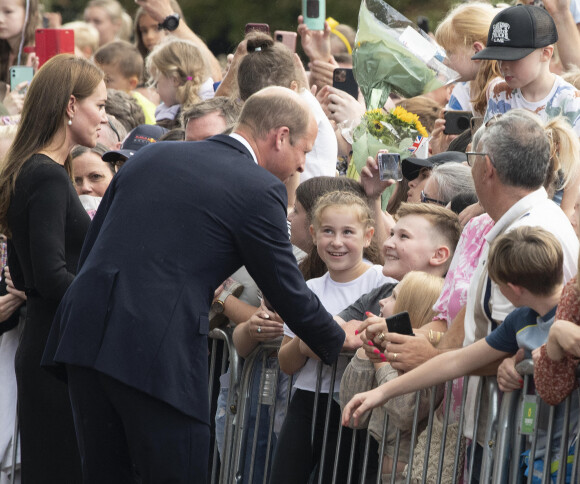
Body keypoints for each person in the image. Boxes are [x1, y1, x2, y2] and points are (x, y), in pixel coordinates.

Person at [41, 86, 346, 484]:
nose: (301, 165)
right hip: (155, 349)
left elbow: (95, 246)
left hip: (84, 334)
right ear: (280, 136)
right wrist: (338, 339)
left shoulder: (153, 154)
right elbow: (287, 287)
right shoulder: (259, 188)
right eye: (304, 150)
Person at [343, 226, 577, 480]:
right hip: (537, 454)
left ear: (514, 288)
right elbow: (456, 361)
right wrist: (381, 392)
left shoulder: (571, 316)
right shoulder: (522, 319)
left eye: (497, 286)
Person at [0, 54, 107, 483]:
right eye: (99, 105)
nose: (104, 116)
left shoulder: (38, 170)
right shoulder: (45, 174)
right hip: (55, 355)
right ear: (69, 106)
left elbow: (26, 279)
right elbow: (48, 276)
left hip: (48, 346)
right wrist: (108, 301)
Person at [271, 190, 392, 484]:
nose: (337, 242)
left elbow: (379, 337)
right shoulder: (307, 289)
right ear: (313, 235)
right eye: (328, 231)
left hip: (357, 404)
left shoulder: (382, 280)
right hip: (308, 400)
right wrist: (305, 342)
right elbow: (286, 362)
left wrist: (324, 339)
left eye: (347, 232)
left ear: (368, 236)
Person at [340, 271, 445, 482]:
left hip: (414, 474)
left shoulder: (428, 363)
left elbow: (404, 413)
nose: (382, 300)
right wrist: (365, 350)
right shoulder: (387, 350)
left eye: (394, 297)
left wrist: (380, 360)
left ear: (409, 310)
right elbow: (351, 414)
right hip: (383, 469)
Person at [473, 5, 580, 136]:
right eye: (499, 58)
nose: (503, 66)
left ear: (546, 53)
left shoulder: (570, 101)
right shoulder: (499, 94)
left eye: (513, 58)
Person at [147, 37, 214, 129]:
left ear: (175, 80)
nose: (156, 91)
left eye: (156, 83)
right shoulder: (215, 104)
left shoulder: (171, 122)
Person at [94, 40, 157, 124]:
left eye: (107, 80)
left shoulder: (145, 110)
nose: (100, 85)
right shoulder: (97, 101)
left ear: (131, 83)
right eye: (97, 78)